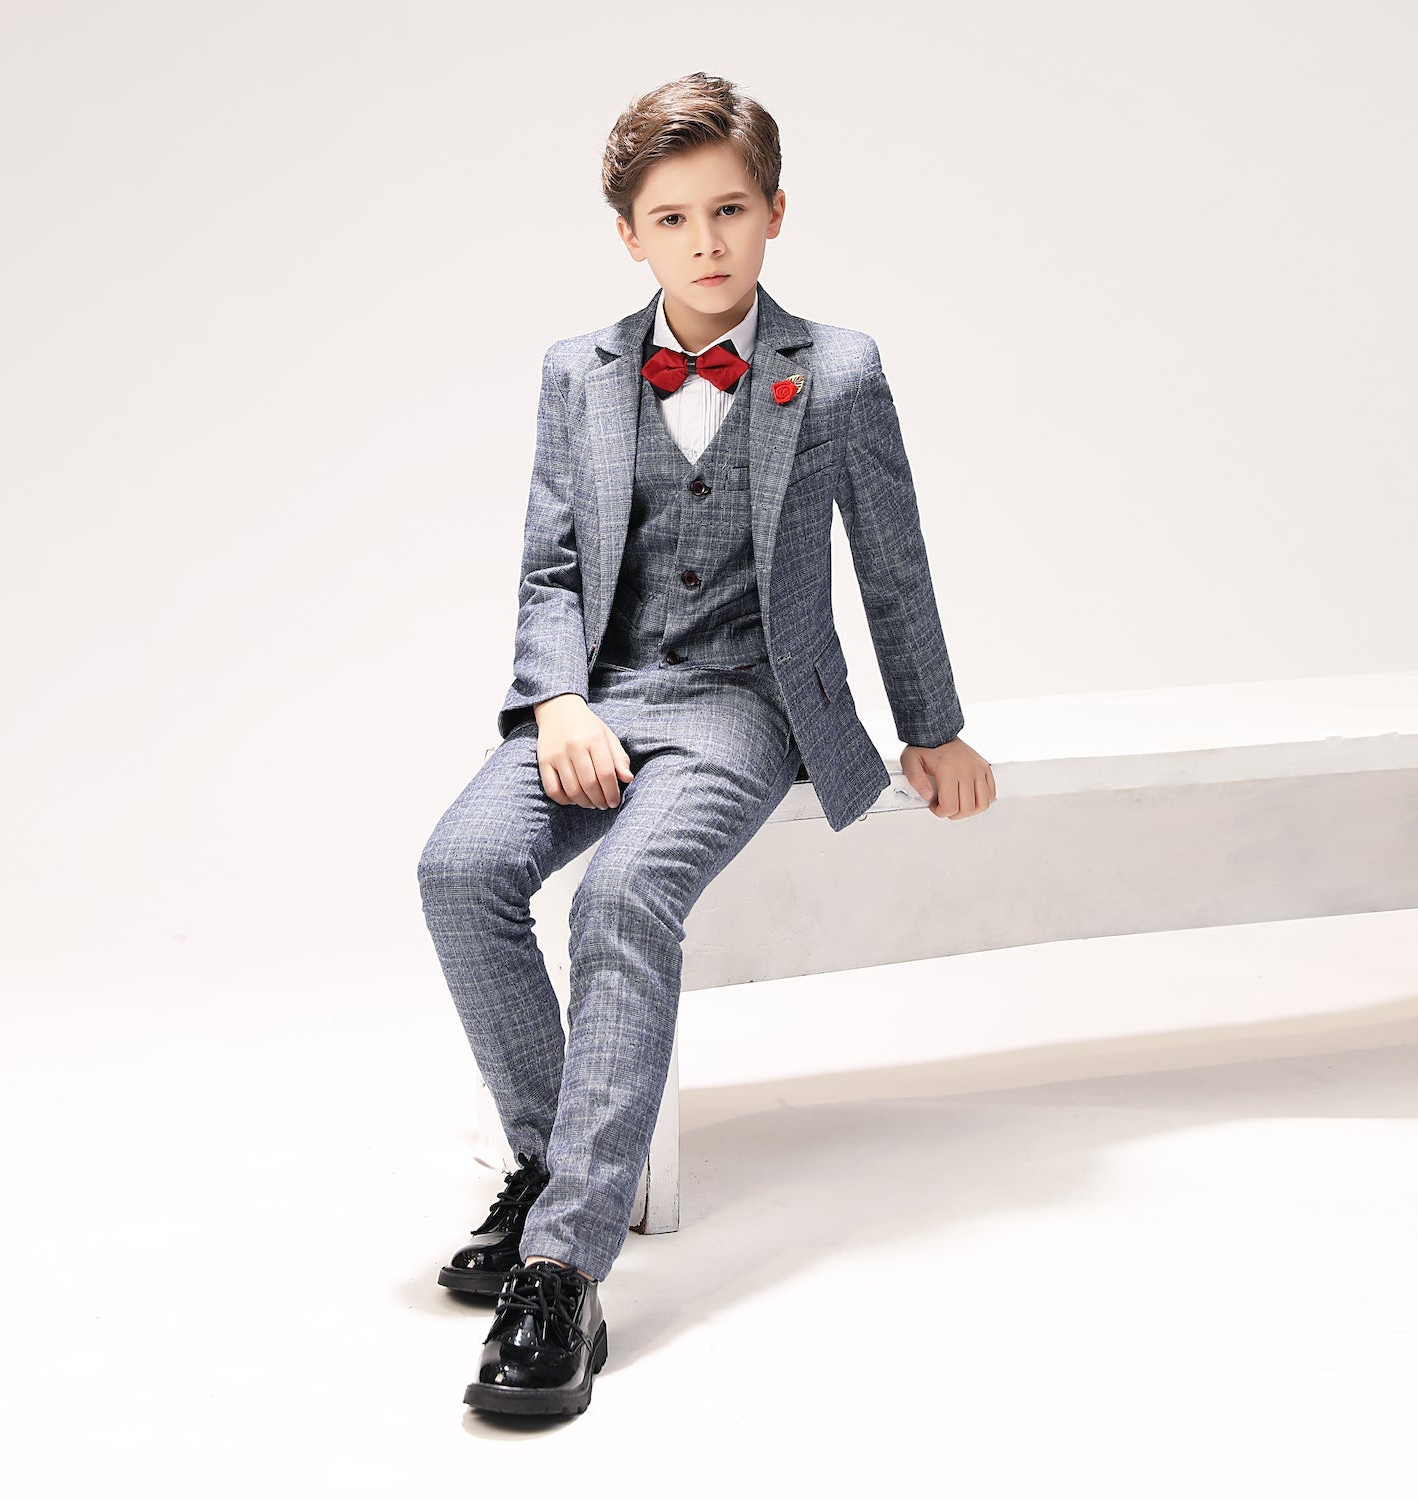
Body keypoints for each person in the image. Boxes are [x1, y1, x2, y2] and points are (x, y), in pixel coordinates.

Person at [417, 70, 995, 1418]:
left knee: (624, 893)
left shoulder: (836, 371)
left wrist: (934, 726)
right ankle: (553, 1165)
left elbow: (892, 561)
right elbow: (550, 566)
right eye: (673, 218)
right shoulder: (578, 372)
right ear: (630, 235)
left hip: (747, 701)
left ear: (776, 211)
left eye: (730, 209)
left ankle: (562, 1267)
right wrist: (557, 701)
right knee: (460, 868)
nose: (707, 241)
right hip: (603, 693)